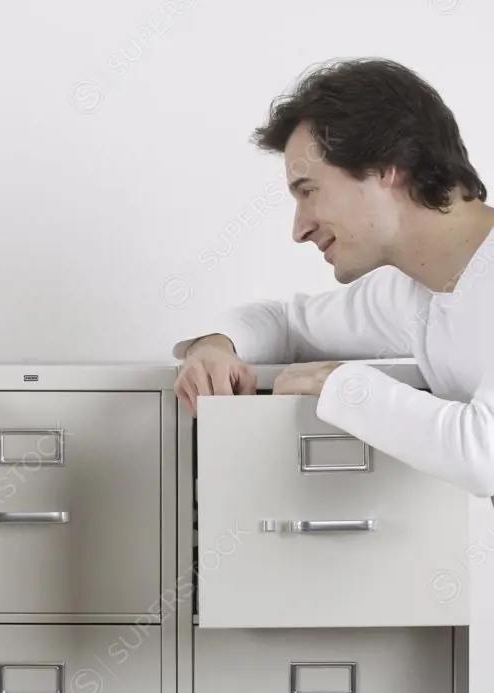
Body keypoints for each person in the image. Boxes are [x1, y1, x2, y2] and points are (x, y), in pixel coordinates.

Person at [172, 58, 494, 688]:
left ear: (384, 169)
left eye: (308, 189)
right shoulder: (419, 291)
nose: (299, 227)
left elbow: (486, 450)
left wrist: (339, 387)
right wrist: (215, 344)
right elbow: (285, 321)